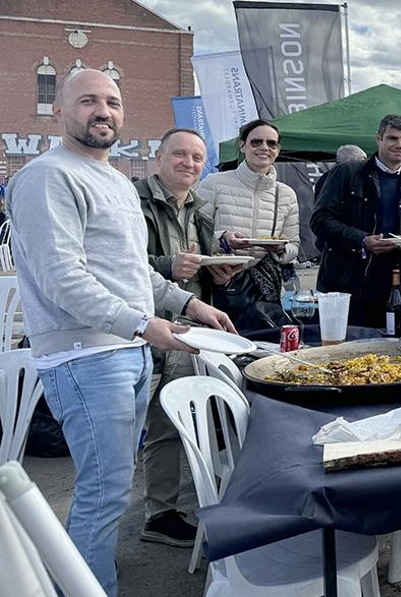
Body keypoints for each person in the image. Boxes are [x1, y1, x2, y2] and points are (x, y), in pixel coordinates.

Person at [6, 68, 234, 597]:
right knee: (104, 491)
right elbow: (62, 278)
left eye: (112, 101)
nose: (102, 111)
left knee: (111, 486)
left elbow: (134, 273)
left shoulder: (111, 179)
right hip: (85, 357)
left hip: (125, 351)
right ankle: (86, 588)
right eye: (87, 100)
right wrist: (144, 323)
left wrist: (189, 303)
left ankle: (89, 575)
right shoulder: (47, 176)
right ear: (59, 111)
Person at [136, 128, 243, 548]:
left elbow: (196, 270)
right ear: (158, 156)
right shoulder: (135, 203)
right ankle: (158, 515)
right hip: (148, 330)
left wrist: (219, 274)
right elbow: (121, 265)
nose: (189, 163)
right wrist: (166, 265)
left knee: (181, 420)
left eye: (197, 158)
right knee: (157, 426)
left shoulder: (199, 208)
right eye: (179, 154)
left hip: (191, 330)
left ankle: (170, 509)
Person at [311, 115, 401, 328]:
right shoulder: (346, 173)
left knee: (388, 354)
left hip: (393, 288)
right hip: (346, 283)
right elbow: (319, 220)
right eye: (393, 138)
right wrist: (362, 240)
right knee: (343, 353)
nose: (399, 145)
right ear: (378, 138)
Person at [197, 119, 300, 330]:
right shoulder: (214, 183)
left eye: (271, 144)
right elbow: (193, 233)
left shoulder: (286, 194)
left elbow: (293, 247)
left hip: (264, 291)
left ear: (278, 150)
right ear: (242, 145)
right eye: (256, 142)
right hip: (218, 285)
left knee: (265, 349)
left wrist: (280, 248)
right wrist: (223, 240)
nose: (264, 148)